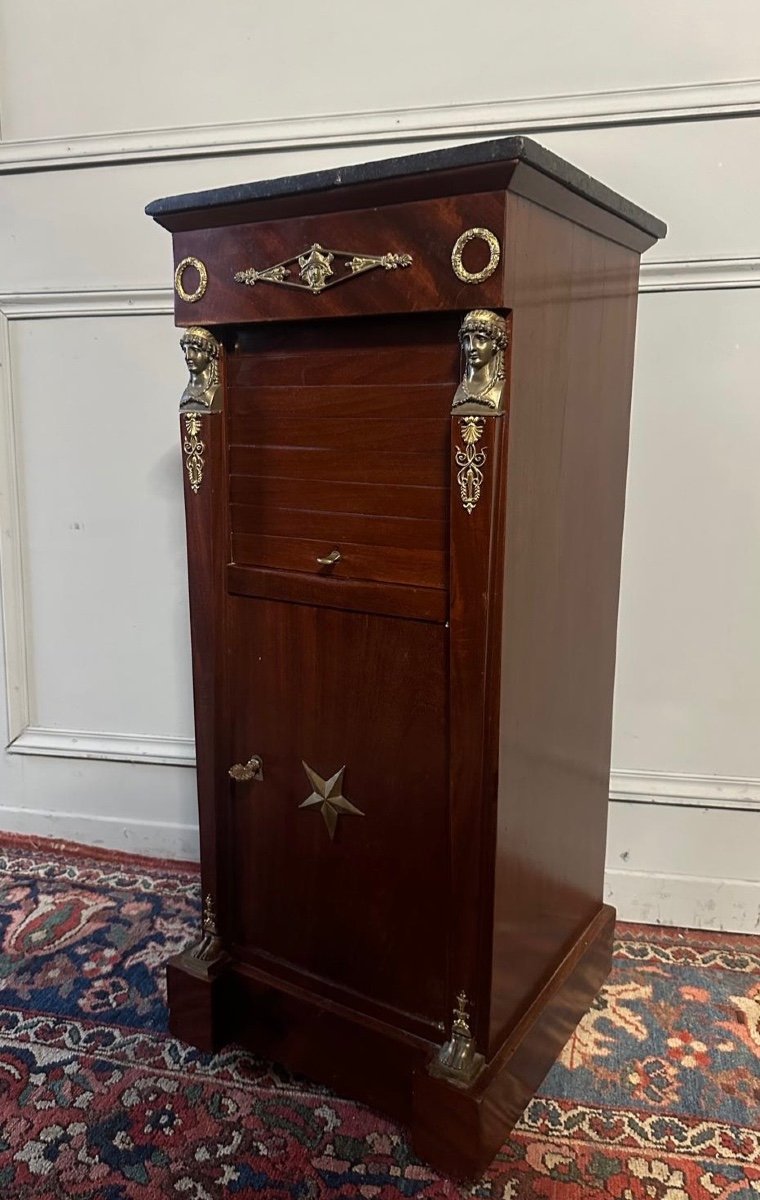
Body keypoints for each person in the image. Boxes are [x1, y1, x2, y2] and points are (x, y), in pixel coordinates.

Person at [452, 309, 508, 414]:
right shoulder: (461, 391)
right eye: (467, 340)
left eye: (481, 339)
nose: (472, 347)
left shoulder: (498, 390)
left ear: (495, 344)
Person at [179, 326, 221, 410]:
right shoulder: (187, 394)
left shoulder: (214, 392)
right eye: (185, 350)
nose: (188, 357)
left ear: (208, 354)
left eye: (194, 350)